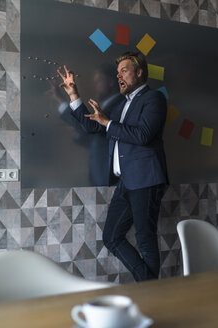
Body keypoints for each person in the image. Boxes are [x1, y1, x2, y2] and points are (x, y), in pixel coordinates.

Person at [57, 51, 168, 281]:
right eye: (117, 73)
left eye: (124, 71)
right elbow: (94, 128)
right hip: (127, 182)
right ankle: (149, 285)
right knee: (111, 237)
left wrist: (107, 122)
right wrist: (74, 95)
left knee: (145, 239)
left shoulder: (154, 99)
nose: (119, 76)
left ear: (139, 73)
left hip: (146, 179)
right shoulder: (122, 105)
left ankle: (151, 292)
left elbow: (143, 135)